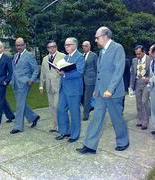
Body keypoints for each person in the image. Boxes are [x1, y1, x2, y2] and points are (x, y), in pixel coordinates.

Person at [77, 26, 129, 154]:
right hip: (101, 92)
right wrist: (96, 89)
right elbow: (99, 73)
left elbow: (119, 70)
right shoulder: (102, 52)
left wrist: (110, 89)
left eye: (97, 37)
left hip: (113, 93)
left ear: (105, 36)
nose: (95, 40)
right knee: (96, 118)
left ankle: (123, 141)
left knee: (117, 118)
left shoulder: (117, 48)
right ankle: (89, 145)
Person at [55, 37, 85, 143]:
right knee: (60, 109)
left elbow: (80, 72)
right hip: (64, 88)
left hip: (74, 89)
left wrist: (65, 74)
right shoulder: (65, 58)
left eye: (68, 45)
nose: (66, 47)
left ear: (75, 45)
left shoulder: (80, 57)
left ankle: (74, 134)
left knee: (74, 112)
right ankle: (64, 131)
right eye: (65, 45)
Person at [10, 38, 40, 134]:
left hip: (24, 83)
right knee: (21, 103)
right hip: (15, 83)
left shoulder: (29, 55)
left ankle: (18, 126)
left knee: (19, 104)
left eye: (20, 45)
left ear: (24, 45)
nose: (19, 47)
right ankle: (33, 117)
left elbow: (36, 69)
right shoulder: (15, 56)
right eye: (17, 45)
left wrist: (32, 80)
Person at [39, 40, 65, 132]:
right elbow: (43, 72)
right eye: (50, 47)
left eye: (53, 46)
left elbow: (66, 70)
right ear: (47, 48)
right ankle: (54, 126)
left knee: (56, 106)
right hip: (49, 86)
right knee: (51, 106)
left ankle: (61, 126)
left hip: (58, 85)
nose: (52, 48)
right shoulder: (45, 59)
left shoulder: (62, 56)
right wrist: (41, 86)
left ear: (56, 47)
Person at [129, 45, 151, 130]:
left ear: (143, 52)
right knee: (138, 103)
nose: (137, 56)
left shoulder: (150, 59)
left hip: (146, 83)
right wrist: (131, 85)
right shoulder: (134, 60)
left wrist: (149, 79)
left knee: (144, 101)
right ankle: (140, 120)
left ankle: (145, 122)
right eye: (136, 54)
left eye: (139, 54)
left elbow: (153, 72)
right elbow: (132, 74)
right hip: (137, 83)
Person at [82, 41, 98, 121]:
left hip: (91, 80)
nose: (84, 48)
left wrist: (97, 81)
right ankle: (90, 107)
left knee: (87, 97)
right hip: (82, 80)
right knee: (82, 97)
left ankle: (85, 115)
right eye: (83, 46)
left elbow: (97, 68)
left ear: (89, 47)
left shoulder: (93, 55)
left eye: (85, 46)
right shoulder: (82, 56)